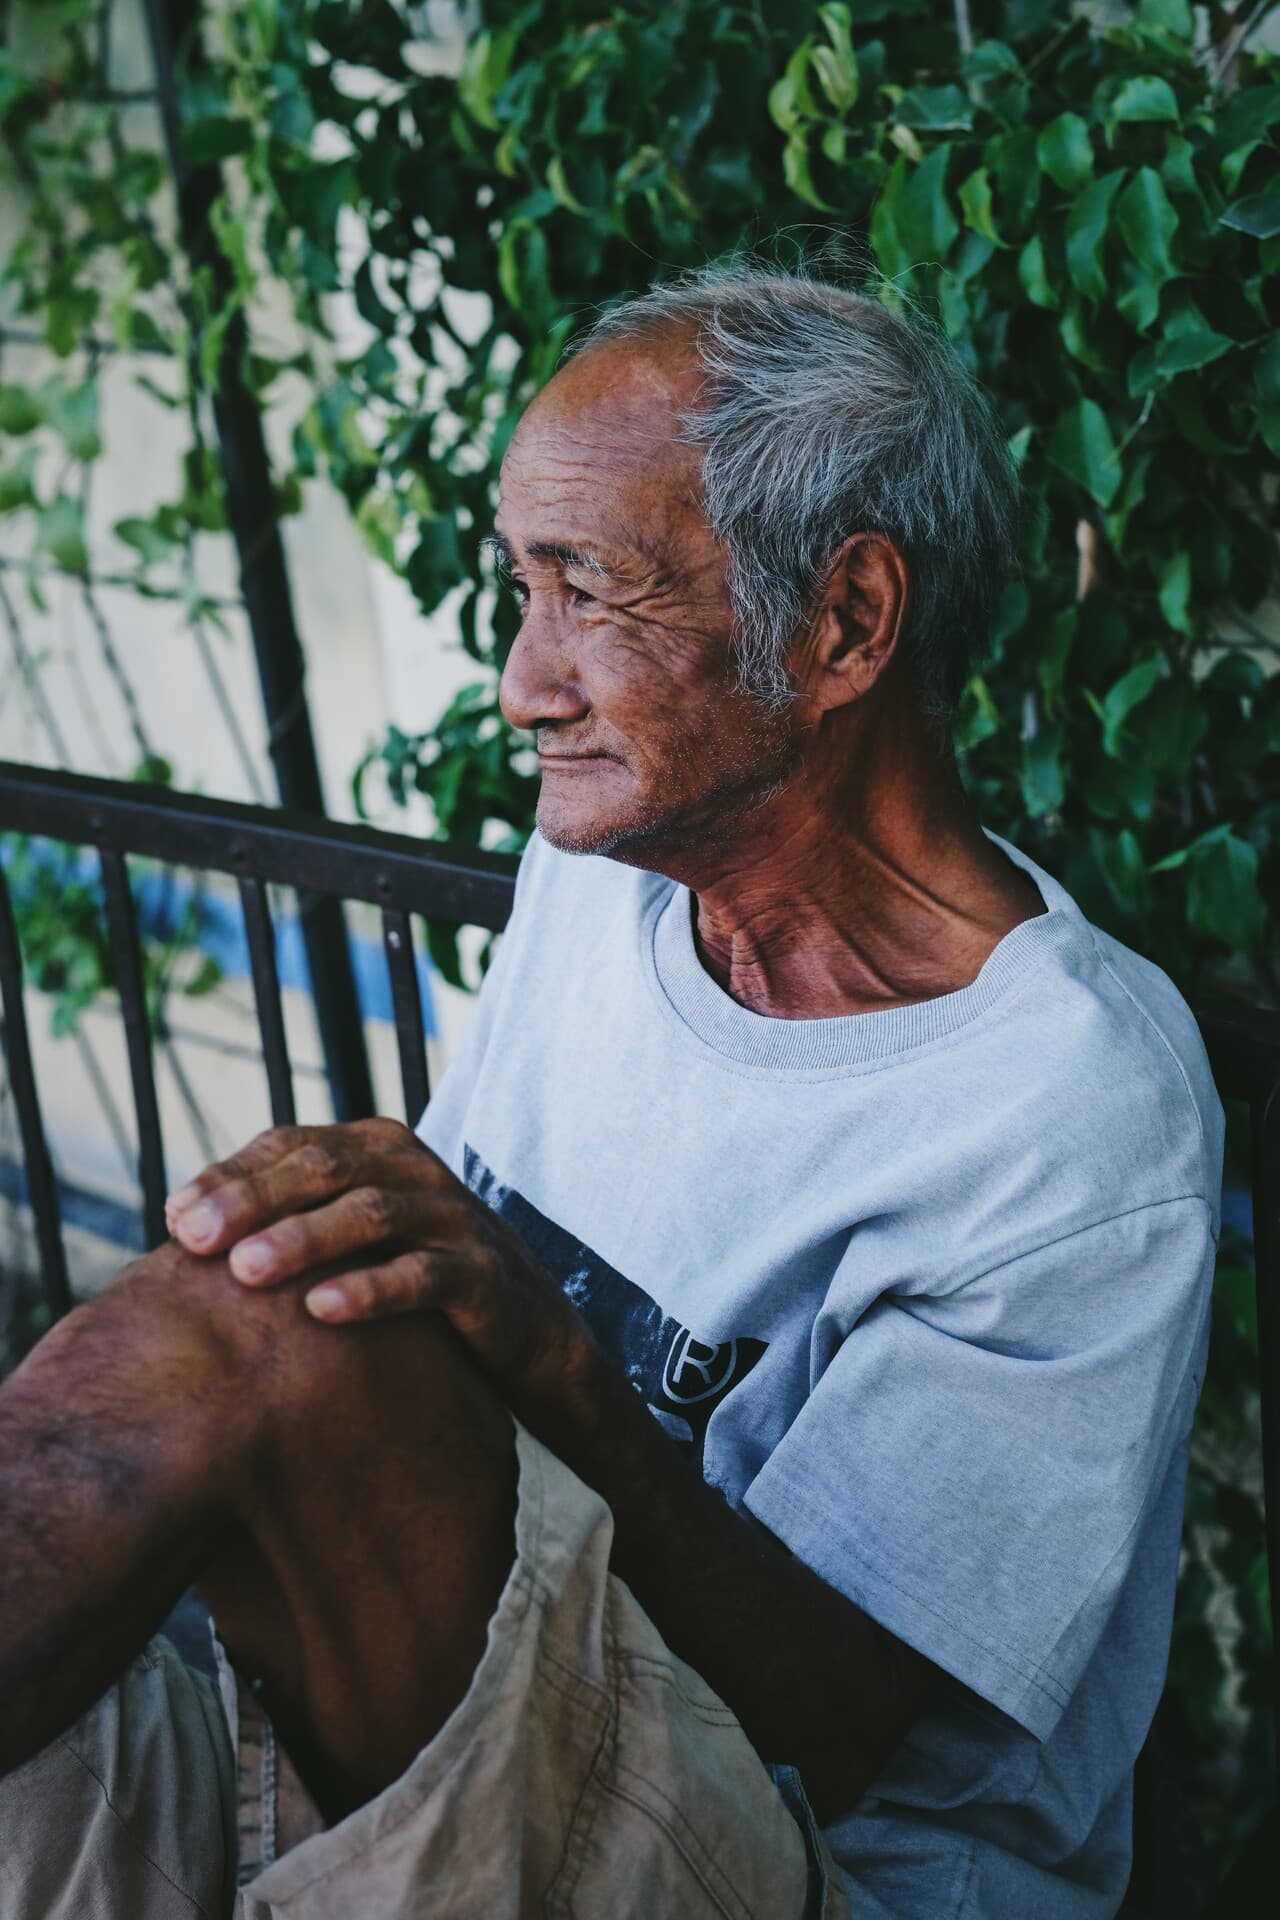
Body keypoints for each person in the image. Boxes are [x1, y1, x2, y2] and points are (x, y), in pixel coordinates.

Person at [0, 268, 1222, 1920]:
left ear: (846, 621)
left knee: (278, 1328)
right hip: (447, 1700)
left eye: (590, 592)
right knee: (263, 1299)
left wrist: (547, 1350)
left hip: (807, 1860)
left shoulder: (1066, 1107)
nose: (524, 680)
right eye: (523, 587)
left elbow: (848, 1732)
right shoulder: (608, 879)